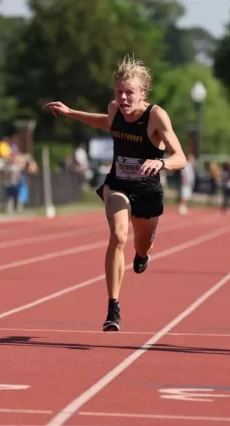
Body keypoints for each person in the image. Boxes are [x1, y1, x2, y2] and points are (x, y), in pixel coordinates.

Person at [43, 55, 187, 332]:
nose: (123, 98)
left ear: (143, 93)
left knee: (141, 246)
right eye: (119, 92)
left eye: (129, 92)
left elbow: (180, 156)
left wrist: (161, 162)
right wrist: (71, 112)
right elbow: (106, 122)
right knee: (118, 235)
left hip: (147, 190)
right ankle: (113, 306)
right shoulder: (115, 110)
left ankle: (143, 255)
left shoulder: (156, 116)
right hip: (118, 184)